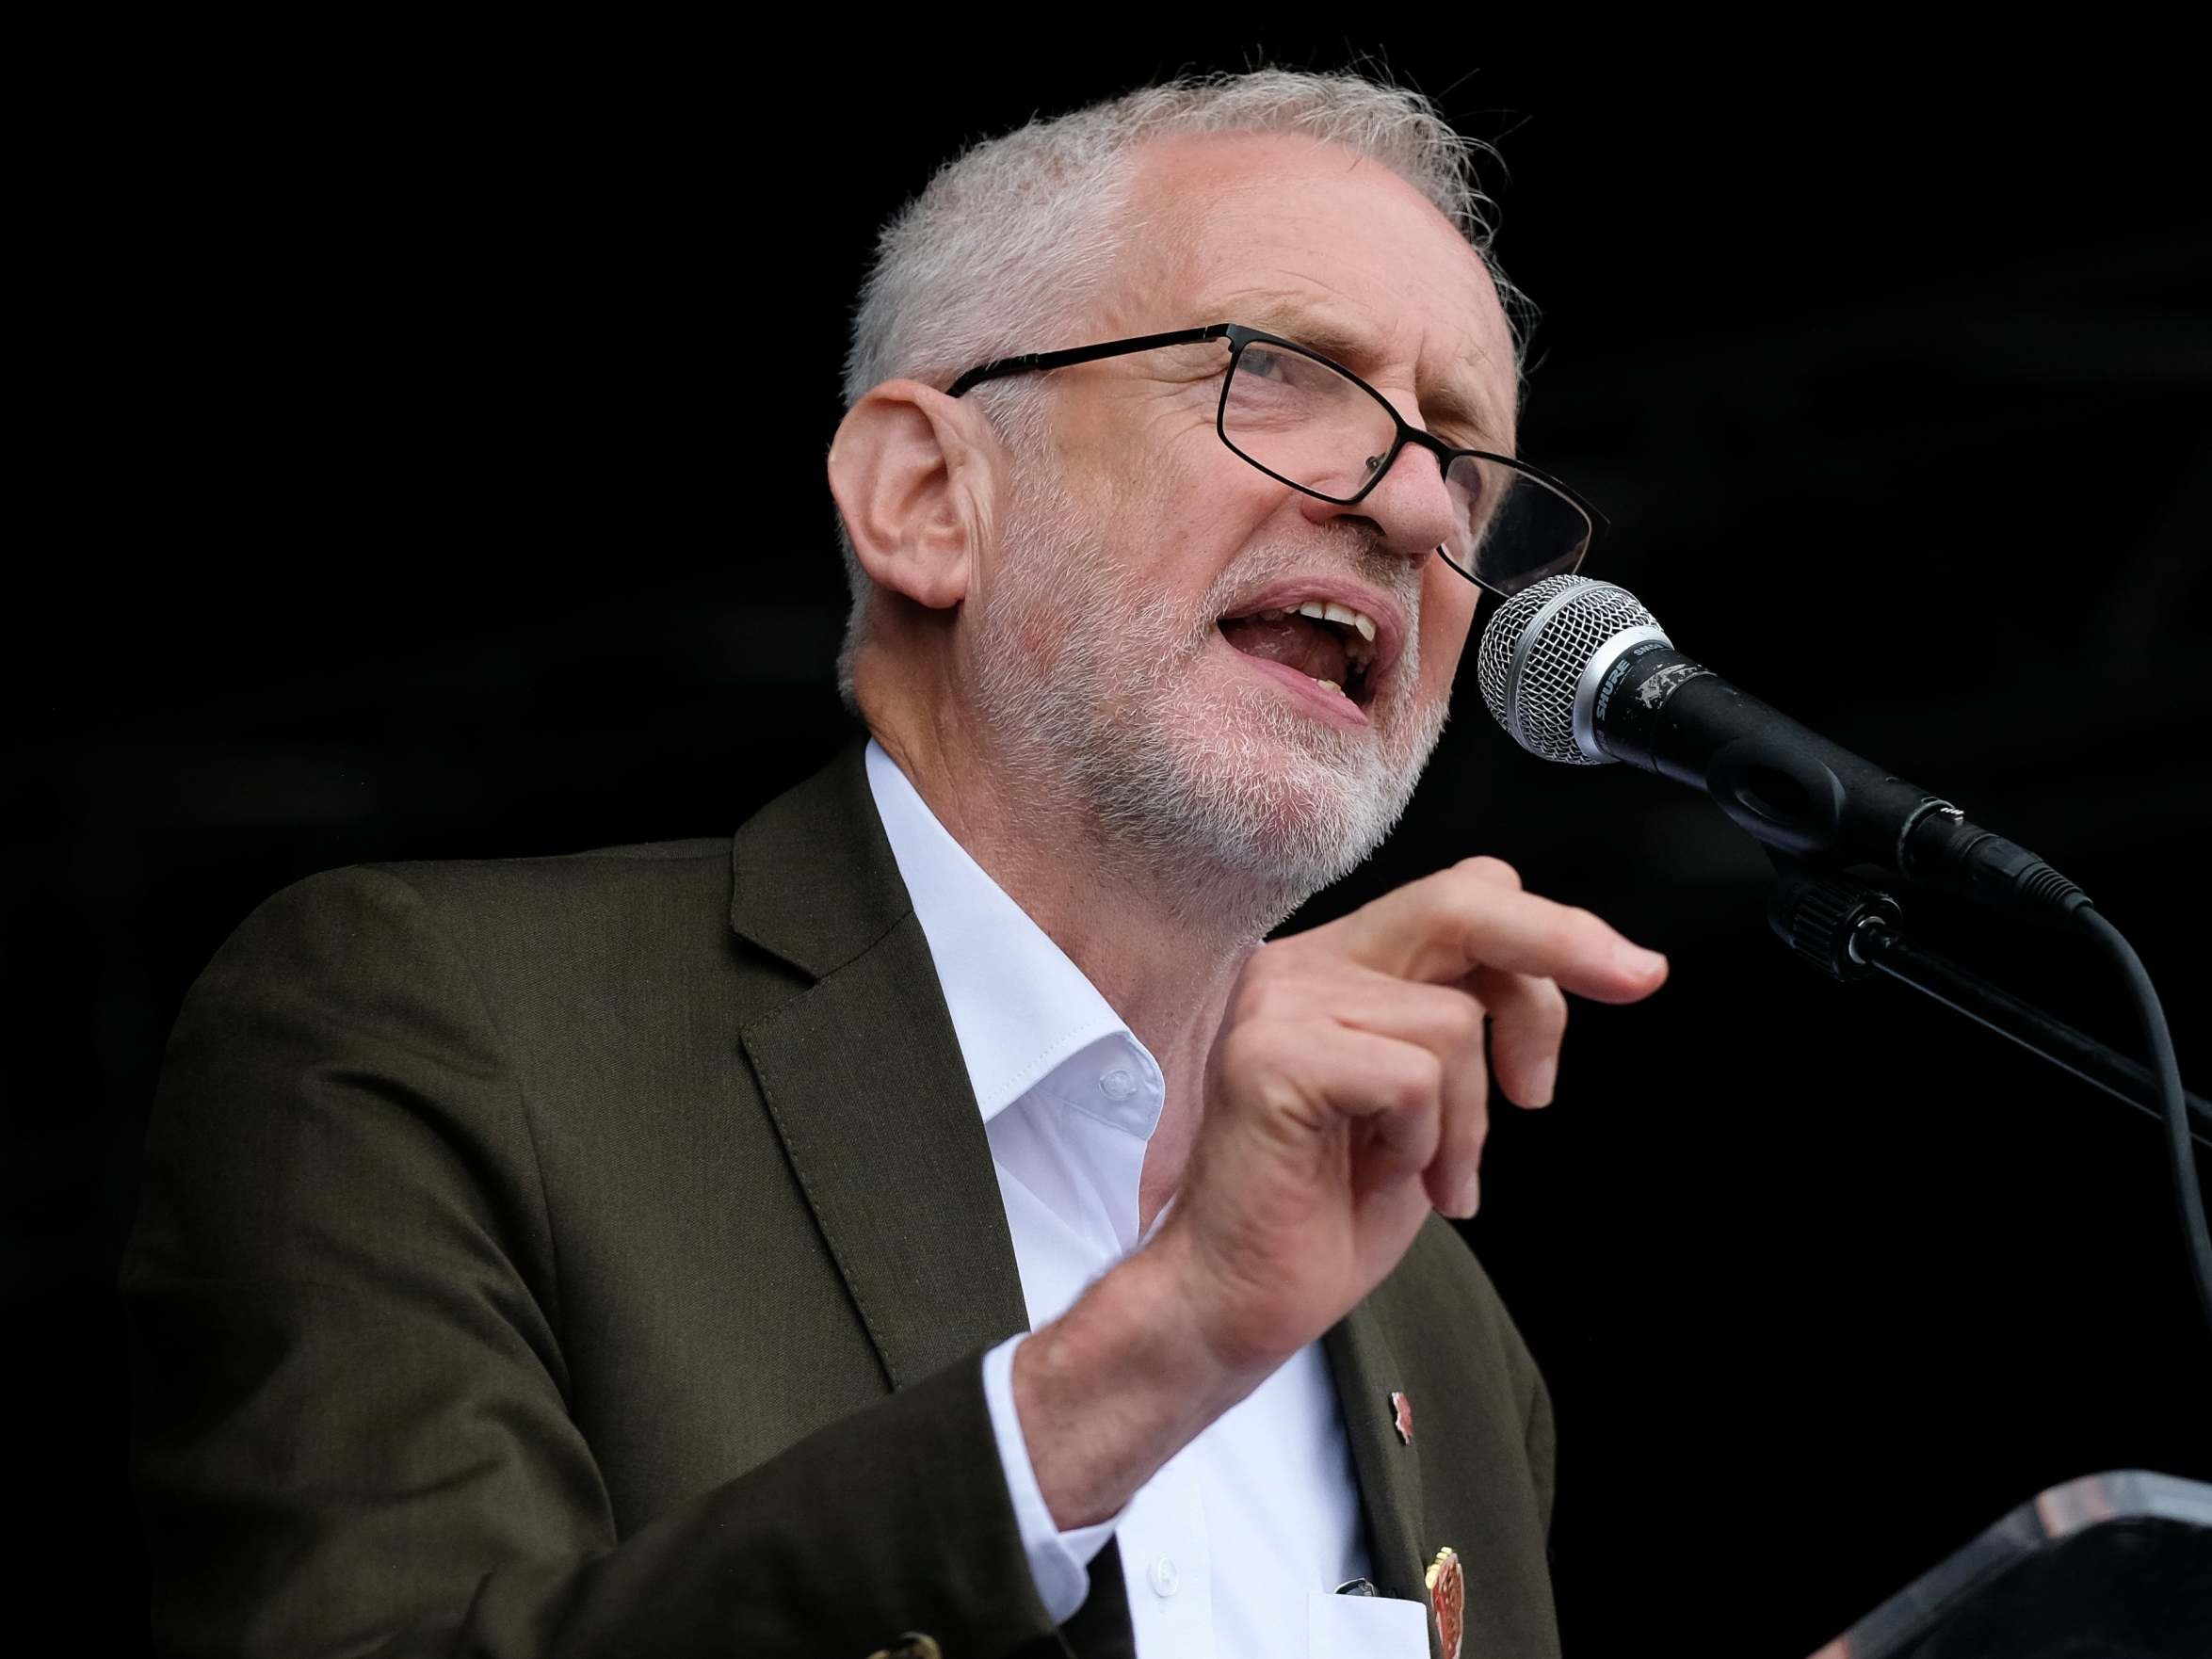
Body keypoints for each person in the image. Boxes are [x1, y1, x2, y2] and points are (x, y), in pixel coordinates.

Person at [122, 68, 1669, 1658]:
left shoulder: (1437, 1323)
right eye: (1279, 371)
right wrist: (1144, 1355)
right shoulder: (441, 1026)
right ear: (929, 498)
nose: (1416, 504)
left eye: (1465, 460)